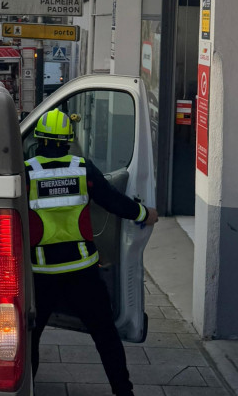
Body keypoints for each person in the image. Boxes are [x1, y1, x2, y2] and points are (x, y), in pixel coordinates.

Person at [25, 108, 158, 396]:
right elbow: (112, 200)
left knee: (30, 339)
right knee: (106, 335)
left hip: (42, 274)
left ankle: (27, 390)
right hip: (81, 270)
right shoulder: (82, 168)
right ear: (67, 140)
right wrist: (143, 213)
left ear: (39, 139)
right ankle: (123, 391)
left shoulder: (27, 172)